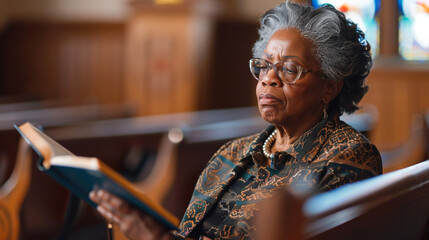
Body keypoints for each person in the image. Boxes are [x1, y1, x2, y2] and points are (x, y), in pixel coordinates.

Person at [89, 1, 382, 239]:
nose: (269, 79)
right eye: (264, 65)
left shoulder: (349, 157)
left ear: (330, 86)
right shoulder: (230, 154)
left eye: (290, 69)